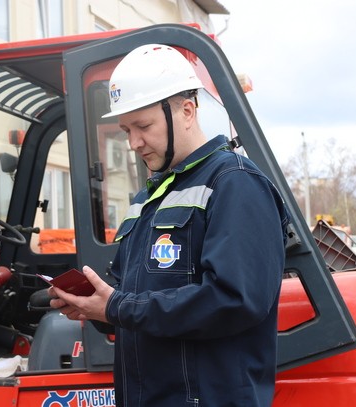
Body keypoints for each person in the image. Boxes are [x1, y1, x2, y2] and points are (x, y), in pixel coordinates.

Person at [49, 44, 290, 406]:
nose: (133, 143)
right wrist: (96, 308)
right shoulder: (148, 199)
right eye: (126, 129)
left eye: (143, 126)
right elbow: (136, 300)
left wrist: (118, 307)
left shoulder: (235, 184)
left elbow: (233, 300)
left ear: (188, 111)